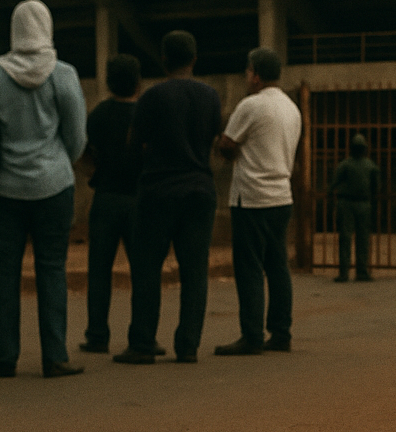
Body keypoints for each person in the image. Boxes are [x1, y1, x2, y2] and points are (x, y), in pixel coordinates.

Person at [0, 0, 88, 377]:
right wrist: (57, 164)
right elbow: (76, 136)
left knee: (4, 270)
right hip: (54, 187)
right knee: (52, 268)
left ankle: (5, 357)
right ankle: (55, 356)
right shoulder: (63, 74)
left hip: (1, 188)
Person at [113, 31, 224, 365]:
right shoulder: (211, 96)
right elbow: (213, 141)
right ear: (194, 59)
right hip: (200, 190)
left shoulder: (152, 97)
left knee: (147, 268)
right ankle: (188, 345)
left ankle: (143, 342)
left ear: (163, 58)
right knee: (195, 271)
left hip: (158, 190)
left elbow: (135, 145)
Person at [213, 47, 301, 355]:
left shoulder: (251, 105)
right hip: (281, 196)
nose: (247, 77)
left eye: (248, 72)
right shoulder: (292, 108)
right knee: (278, 266)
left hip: (251, 198)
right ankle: (281, 332)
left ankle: (251, 335)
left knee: (249, 267)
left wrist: (222, 147)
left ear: (256, 75)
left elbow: (227, 144)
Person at [80, 54, 145, 354]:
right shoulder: (146, 115)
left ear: (108, 83)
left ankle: (97, 335)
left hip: (105, 197)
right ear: (138, 82)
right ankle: (142, 334)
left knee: (99, 270)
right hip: (138, 199)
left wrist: (96, 173)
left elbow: (84, 154)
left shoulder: (98, 114)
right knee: (143, 270)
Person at [331, 133, 379, 281]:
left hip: (349, 203)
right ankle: (360, 271)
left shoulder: (346, 164)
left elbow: (334, 183)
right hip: (360, 203)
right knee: (360, 238)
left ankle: (347, 272)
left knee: (349, 238)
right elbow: (376, 187)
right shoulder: (369, 165)